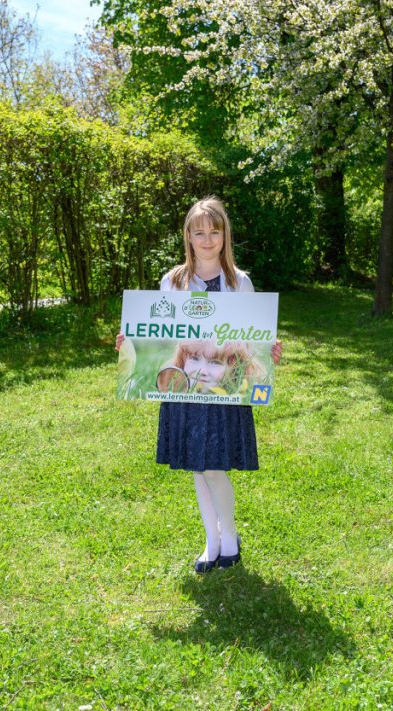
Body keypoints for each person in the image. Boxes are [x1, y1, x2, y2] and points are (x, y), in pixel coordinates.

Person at [117, 196, 282, 573]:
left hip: (223, 394)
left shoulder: (239, 282)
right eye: (199, 232)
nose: (207, 239)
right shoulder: (173, 281)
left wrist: (268, 349)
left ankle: (230, 538)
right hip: (186, 390)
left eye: (215, 231)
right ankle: (213, 540)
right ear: (188, 237)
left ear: (225, 235)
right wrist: (129, 340)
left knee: (214, 467)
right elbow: (159, 333)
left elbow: (252, 339)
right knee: (197, 466)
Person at [157, 339, 264, 396]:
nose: (201, 371)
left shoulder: (242, 396)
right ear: (183, 360)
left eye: (215, 363)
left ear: (235, 368)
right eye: (194, 359)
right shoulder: (173, 391)